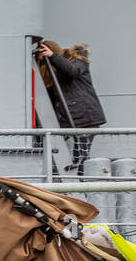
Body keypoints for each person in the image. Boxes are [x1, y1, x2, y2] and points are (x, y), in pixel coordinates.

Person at [38, 39, 106, 175]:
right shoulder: (53, 71)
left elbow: (72, 71)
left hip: (86, 116)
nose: (39, 58)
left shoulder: (77, 60)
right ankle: (78, 180)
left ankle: (82, 183)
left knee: (81, 156)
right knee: (77, 155)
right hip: (71, 118)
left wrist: (52, 57)